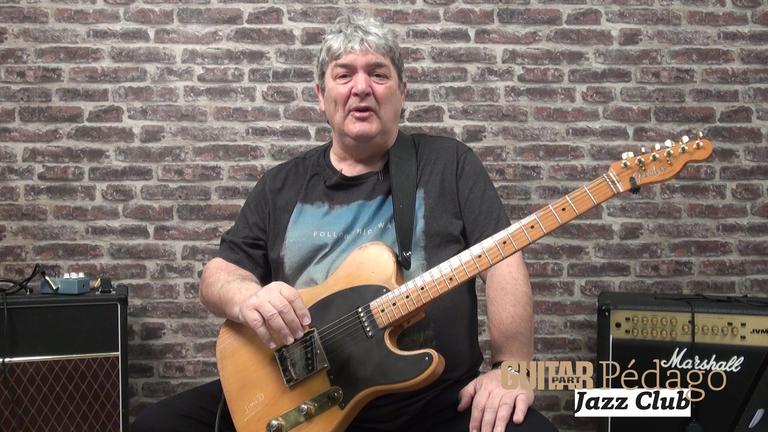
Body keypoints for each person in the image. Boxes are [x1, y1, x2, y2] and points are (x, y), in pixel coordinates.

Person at [133, 15, 557, 432]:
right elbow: (218, 275)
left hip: (434, 404)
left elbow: (503, 258)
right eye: (344, 75)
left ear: (402, 92)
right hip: (305, 399)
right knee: (156, 425)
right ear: (321, 96)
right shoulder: (281, 185)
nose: (361, 87)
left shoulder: (449, 164)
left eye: (378, 74)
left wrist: (512, 369)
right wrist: (249, 298)